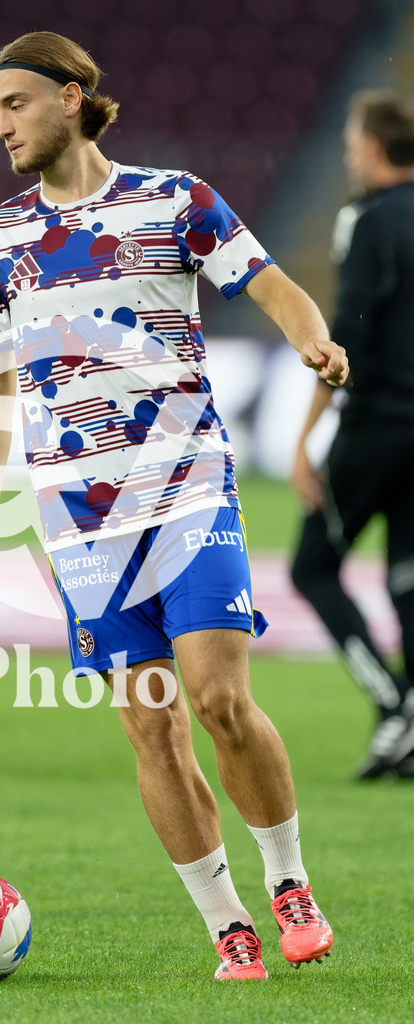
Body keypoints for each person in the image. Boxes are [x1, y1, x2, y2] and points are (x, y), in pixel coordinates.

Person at [0, 31, 348, 980]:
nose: (1, 123)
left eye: (15, 103)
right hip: (78, 516)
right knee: (149, 725)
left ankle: (287, 879)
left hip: (186, 485)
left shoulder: (174, 197)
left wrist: (313, 340)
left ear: (74, 94)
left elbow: (273, 285)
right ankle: (228, 928)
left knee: (216, 698)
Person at [291, 89, 414, 781]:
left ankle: (392, 703)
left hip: (373, 425)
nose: (346, 155)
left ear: (371, 147)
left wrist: (306, 437)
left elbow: (346, 333)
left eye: (348, 143)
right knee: (407, 578)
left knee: (312, 565)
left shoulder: (364, 219)